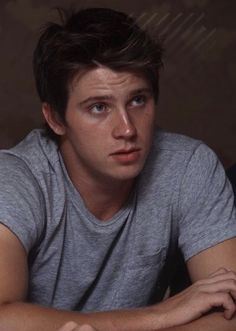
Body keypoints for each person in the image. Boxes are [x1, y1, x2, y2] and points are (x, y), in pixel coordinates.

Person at [0, 7, 236, 331]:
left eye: (138, 100)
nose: (126, 129)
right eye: (99, 107)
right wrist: (160, 315)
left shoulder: (188, 167)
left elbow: (229, 312)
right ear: (55, 118)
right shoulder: (15, 179)